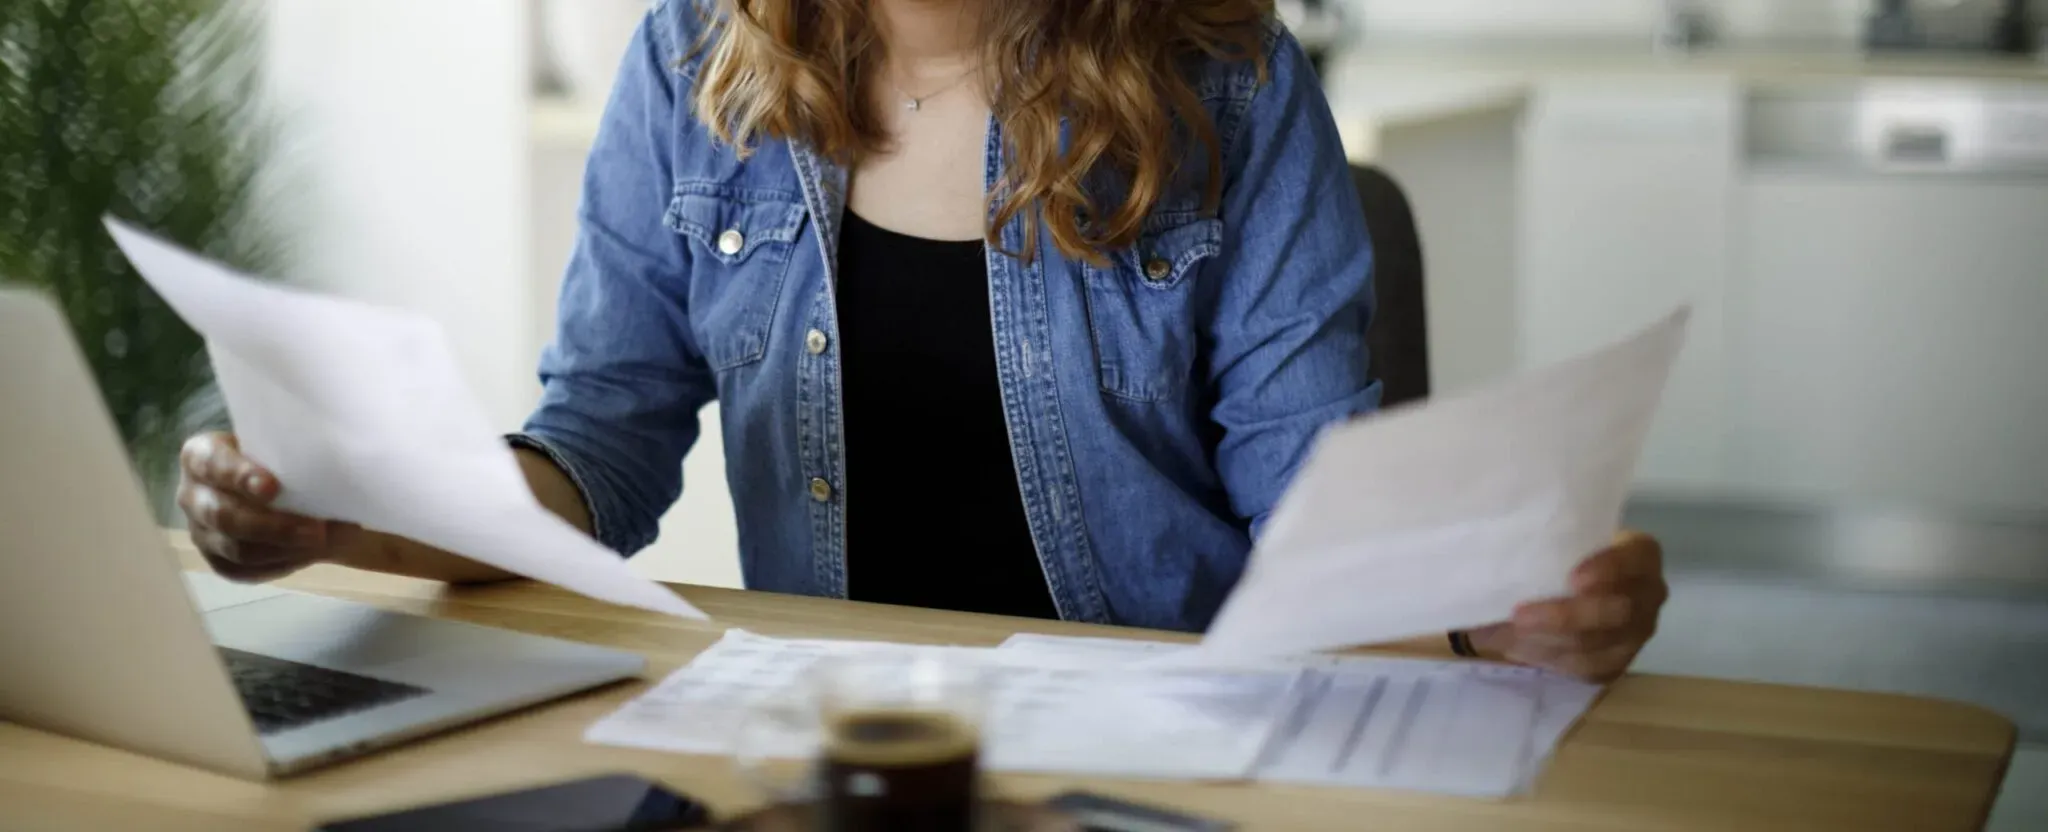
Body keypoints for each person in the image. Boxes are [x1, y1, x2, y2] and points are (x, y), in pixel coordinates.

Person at [175, 0, 1667, 681]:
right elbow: (600, 447)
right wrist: (356, 516)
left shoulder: (1234, 81)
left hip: (1158, 750)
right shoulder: (692, 57)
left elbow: (1322, 534)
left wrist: (1503, 616)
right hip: (843, 754)